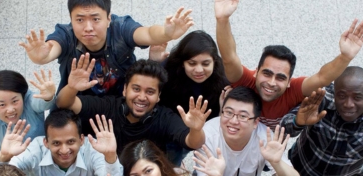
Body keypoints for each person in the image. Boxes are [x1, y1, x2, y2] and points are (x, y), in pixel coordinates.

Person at [214, 0, 363, 130]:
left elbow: (322, 77)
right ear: (256, 72)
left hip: (268, 149)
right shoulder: (246, 80)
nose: (271, 83)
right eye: (267, 73)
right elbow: (229, 58)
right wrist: (222, 20)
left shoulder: (293, 91)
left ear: (289, 82)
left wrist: (345, 56)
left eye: (280, 78)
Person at [19, 0, 194, 96]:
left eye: (95, 19)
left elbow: (148, 33)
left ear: (109, 18)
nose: (88, 27)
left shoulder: (121, 27)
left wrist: (166, 33)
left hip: (122, 97)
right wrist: (40, 56)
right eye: (79, 20)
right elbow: (49, 51)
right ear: (71, 20)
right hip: (79, 100)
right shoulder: (65, 34)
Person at [57, 57, 210, 156]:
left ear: (158, 96)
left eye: (150, 92)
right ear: (124, 89)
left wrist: (195, 129)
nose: (142, 97)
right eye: (136, 89)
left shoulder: (165, 118)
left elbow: (193, 143)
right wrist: (72, 87)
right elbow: (66, 103)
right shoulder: (108, 106)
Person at [193, 86, 302, 176]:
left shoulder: (265, 138)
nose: (233, 121)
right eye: (228, 112)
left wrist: (276, 163)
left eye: (243, 116)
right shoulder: (207, 134)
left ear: (255, 122)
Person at [281, 66, 363, 176]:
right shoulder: (320, 97)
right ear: (334, 91)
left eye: (357, 97)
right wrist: (298, 122)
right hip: (301, 166)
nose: (348, 104)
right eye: (341, 96)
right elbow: (282, 128)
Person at [159, 30, 229, 165]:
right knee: (171, 160)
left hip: (206, 129)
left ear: (214, 61)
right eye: (192, 63)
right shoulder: (167, 71)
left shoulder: (224, 79)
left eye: (205, 64)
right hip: (174, 130)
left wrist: (223, 109)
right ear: (182, 62)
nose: (199, 70)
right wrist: (154, 60)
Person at [0, 69, 56, 154]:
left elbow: (40, 103)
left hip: (39, 161)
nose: (10, 110)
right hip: (7, 165)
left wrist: (48, 97)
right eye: (2, 105)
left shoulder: (29, 101)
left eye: (15, 101)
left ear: (23, 95)